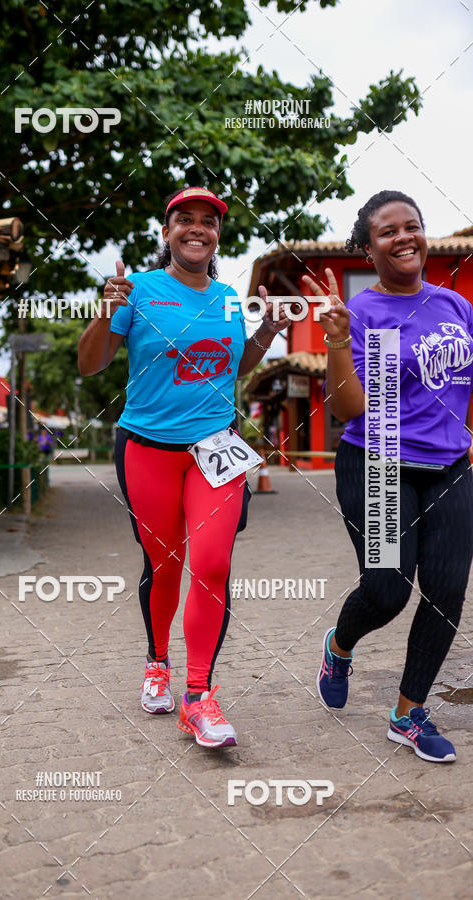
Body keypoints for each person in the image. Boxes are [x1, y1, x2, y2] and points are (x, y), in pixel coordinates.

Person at [78, 186, 289, 748]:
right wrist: (106, 311)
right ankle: (156, 662)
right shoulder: (138, 290)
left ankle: (199, 696)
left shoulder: (225, 297)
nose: (197, 229)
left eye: (208, 222)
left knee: (213, 562)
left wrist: (266, 330)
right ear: (166, 232)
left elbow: (232, 365)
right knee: (165, 564)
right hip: (147, 448)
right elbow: (89, 364)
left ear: (217, 235)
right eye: (185, 221)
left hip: (214, 451)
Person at [303, 189, 473, 763]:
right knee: (388, 589)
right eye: (387, 231)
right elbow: (351, 409)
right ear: (368, 249)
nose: (404, 237)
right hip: (379, 465)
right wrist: (336, 339)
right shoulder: (366, 314)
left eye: (412, 226)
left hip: (449, 468)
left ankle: (408, 713)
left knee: (447, 593)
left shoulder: (455, 306)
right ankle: (339, 644)